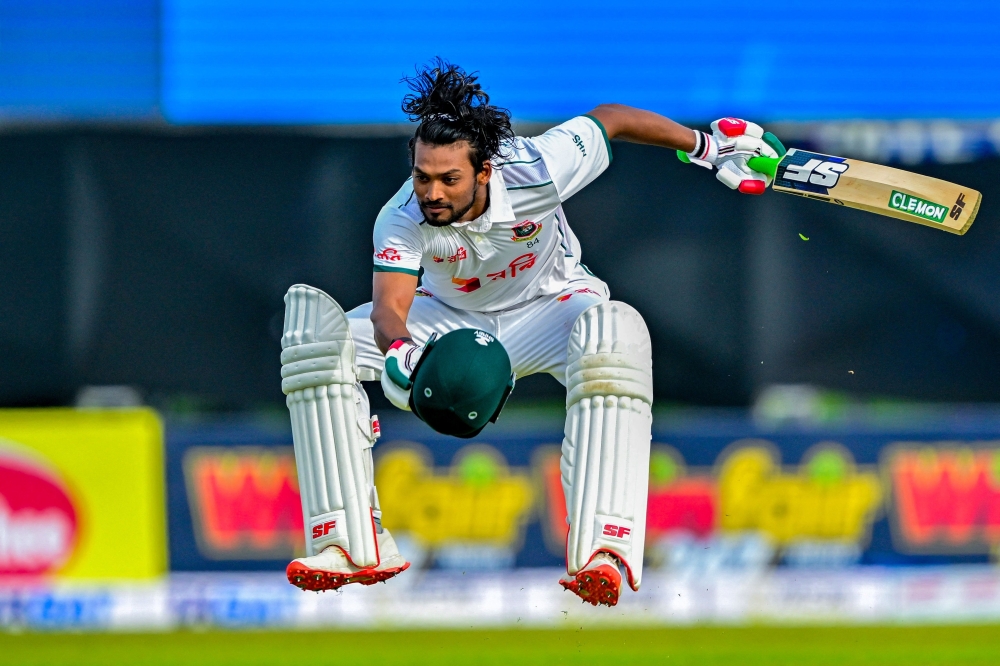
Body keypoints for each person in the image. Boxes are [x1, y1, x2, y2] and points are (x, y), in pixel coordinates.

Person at [278, 59, 782, 606]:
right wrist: (400, 350)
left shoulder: (535, 168)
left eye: (449, 179)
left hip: (552, 305)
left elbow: (612, 119)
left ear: (485, 171)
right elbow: (387, 310)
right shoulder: (401, 216)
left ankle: (604, 548)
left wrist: (705, 146)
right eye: (422, 177)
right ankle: (352, 542)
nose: (432, 193)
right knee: (318, 338)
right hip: (449, 320)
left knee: (613, 334)